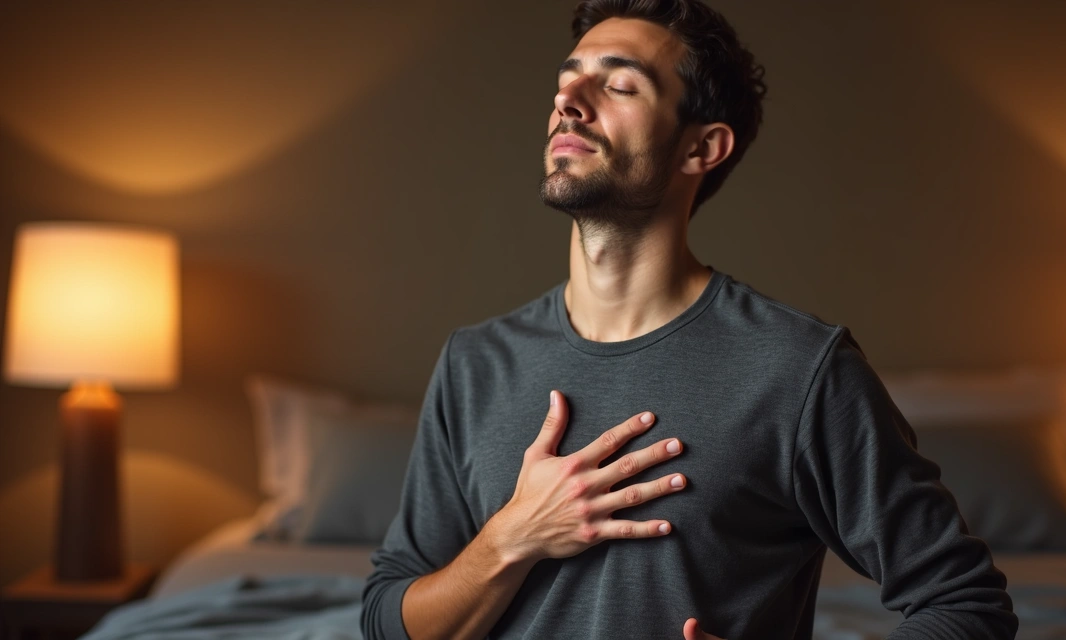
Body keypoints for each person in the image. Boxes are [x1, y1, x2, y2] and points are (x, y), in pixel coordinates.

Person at [362, 1, 1018, 638]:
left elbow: (967, 606)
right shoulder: (474, 364)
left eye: (619, 85)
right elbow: (389, 620)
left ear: (702, 147)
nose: (569, 100)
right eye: (567, 80)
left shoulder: (797, 369)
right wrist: (512, 537)